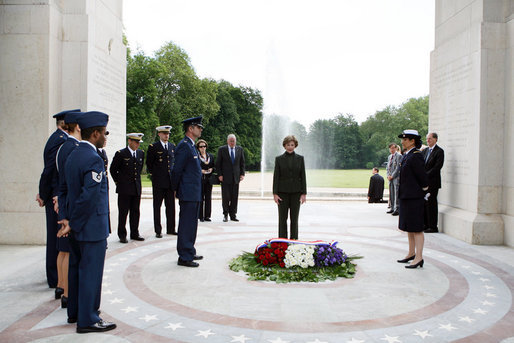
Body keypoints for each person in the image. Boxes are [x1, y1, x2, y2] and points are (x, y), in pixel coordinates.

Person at [57, 111, 116, 333]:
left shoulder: (72, 155)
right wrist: (72, 221)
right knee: (91, 272)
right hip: (90, 227)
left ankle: (75, 312)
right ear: (94, 134)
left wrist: (65, 217)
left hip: (76, 225)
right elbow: (89, 197)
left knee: (76, 269)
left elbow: (62, 191)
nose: (106, 136)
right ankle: (88, 319)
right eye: (104, 133)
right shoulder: (93, 158)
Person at [36, 109, 79, 291]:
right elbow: (49, 170)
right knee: (57, 238)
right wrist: (44, 195)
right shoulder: (60, 141)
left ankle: (56, 277)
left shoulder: (58, 139)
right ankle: (54, 278)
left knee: (58, 237)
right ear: (65, 124)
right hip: (56, 195)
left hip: (55, 194)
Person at [55, 111, 83, 308]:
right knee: (68, 252)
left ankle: (61, 286)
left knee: (64, 251)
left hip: (64, 202)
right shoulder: (72, 147)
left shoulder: (65, 145)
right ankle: (66, 292)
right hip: (68, 204)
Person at [172, 116, 204, 267]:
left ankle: (189, 249)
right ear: (190, 129)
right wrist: (175, 189)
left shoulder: (192, 146)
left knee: (192, 224)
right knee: (186, 224)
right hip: (188, 192)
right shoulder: (184, 146)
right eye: (198, 127)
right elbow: (176, 170)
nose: (201, 129)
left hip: (194, 192)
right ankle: (184, 256)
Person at [396, 129, 429, 269]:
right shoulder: (406, 155)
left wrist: (423, 191)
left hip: (414, 197)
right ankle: (411, 253)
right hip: (406, 196)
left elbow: (422, 177)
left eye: (405, 139)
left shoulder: (416, 155)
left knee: (416, 228)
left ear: (412, 141)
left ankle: (419, 257)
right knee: (409, 227)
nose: (402, 142)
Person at [110, 133, 145, 243]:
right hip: (124, 189)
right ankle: (122, 234)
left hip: (136, 188)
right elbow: (112, 170)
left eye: (139, 142)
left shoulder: (140, 153)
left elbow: (138, 171)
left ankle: (134, 233)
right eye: (135, 142)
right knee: (123, 212)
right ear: (129, 141)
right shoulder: (121, 154)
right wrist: (118, 182)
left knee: (135, 212)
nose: (137, 144)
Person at [272, 135, 307, 240]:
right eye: (288, 145)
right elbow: (276, 177)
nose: (290, 147)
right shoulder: (279, 159)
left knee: (294, 219)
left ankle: (294, 241)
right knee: (282, 219)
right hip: (282, 193)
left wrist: (304, 193)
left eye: (292, 145)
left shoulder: (300, 159)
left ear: (295, 145)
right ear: (284, 145)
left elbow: (303, 176)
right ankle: (282, 242)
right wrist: (275, 193)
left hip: (296, 193)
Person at [146, 125, 176, 237]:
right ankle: (158, 230)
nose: (166, 135)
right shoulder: (154, 147)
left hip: (170, 182)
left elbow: (173, 163)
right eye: (164, 133)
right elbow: (149, 164)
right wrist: (156, 175)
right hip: (159, 182)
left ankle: (171, 229)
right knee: (157, 207)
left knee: (171, 207)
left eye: (167, 133)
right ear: (159, 134)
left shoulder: (172, 146)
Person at [216, 134, 245, 222]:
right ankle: (225, 214)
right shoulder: (222, 150)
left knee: (234, 197)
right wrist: (219, 175)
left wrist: (242, 174)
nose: (232, 143)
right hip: (225, 177)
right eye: (231, 141)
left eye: (233, 141)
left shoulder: (239, 149)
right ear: (227, 141)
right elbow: (218, 163)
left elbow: (242, 163)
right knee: (226, 197)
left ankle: (233, 215)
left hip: (236, 177)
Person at [423, 132, 444, 233]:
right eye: (427, 139)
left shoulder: (439, 151)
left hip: (433, 182)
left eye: (430, 139)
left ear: (435, 139)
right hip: (424, 183)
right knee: (425, 204)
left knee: (431, 204)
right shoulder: (425, 151)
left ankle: (433, 226)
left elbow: (437, 167)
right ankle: (426, 224)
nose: (428, 141)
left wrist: (425, 175)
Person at [196, 139, 215, 222]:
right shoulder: (197, 156)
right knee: (200, 198)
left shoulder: (210, 156)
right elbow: (195, 167)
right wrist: (201, 171)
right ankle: (200, 216)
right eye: (201, 146)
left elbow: (214, 166)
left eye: (204, 146)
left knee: (208, 198)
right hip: (200, 179)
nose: (203, 148)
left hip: (209, 180)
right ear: (198, 148)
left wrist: (211, 169)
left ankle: (207, 215)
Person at [386, 143, 402, 216]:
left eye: (393, 148)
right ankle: (392, 207)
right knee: (391, 193)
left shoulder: (399, 156)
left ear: (396, 148)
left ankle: (397, 208)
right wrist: (388, 175)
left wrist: (392, 176)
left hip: (396, 177)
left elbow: (398, 168)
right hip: (390, 178)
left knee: (396, 193)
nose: (392, 150)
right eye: (390, 148)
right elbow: (388, 167)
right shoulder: (389, 157)